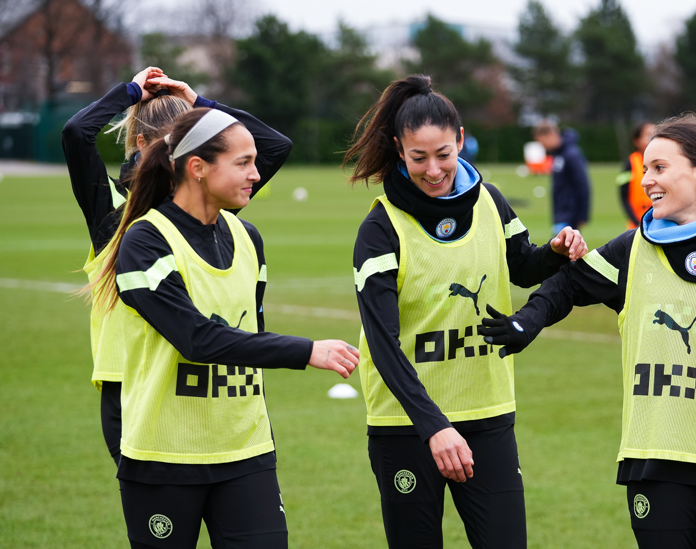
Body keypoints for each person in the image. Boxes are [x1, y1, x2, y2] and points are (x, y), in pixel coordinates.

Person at [480, 114, 696, 549]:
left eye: (659, 168)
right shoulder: (631, 249)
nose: (646, 179)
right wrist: (528, 320)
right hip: (654, 463)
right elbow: (568, 286)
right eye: (645, 168)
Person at [84, 107, 360, 549]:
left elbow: (250, 335)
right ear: (197, 168)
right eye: (244, 163)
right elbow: (196, 338)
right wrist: (304, 351)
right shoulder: (144, 241)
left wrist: (200, 105)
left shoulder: (249, 237)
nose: (257, 173)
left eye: (254, 161)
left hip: (246, 451)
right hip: (164, 456)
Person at [343, 75, 587, 549]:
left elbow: (522, 267)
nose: (433, 169)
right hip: (406, 426)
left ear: (460, 140)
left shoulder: (491, 201)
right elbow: (383, 345)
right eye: (418, 157)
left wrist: (556, 251)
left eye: (443, 154)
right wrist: (434, 428)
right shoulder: (379, 228)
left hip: (486, 412)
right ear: (398, 149)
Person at [62, 66, 293, 466]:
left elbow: (273, 146)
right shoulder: (115, 216)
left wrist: (198, 103)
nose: (176, 159)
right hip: (135, 385)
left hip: (217, 384)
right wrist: (131, 91)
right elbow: (76, 134)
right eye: (167, 147)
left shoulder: (214, 211)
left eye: (185, 147)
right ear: (140, 144)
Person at [534, 120, 592, 234]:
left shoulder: (571, 155)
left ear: (550, 135)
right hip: (560, 213)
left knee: (563, 250)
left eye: (542, 141)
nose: (542, 146)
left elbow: (583, 185)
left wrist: (582, 215)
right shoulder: (558, 155)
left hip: (570, 215)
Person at [618, 122, 656, 229]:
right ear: (637, 141)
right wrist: (636, 221)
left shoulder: (666, 161)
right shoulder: (630, 163)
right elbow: (623, 196)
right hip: (637, 225)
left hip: (659, 223)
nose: (652, 138)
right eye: (648, 135)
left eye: (655, 134)